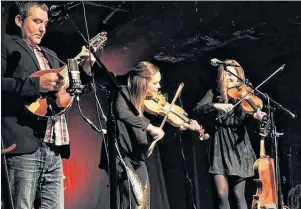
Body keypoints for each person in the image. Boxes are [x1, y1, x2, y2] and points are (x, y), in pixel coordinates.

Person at [1, 2, 94, 209]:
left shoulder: (50, 54)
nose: (43, 28)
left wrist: (86, 66)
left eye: (45, 23)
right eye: (36, 21)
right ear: (19, 21)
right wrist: (35, 85)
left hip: (53, 147)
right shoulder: (6, 44)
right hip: (22, 144)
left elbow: (71, 88)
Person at [99, 61, 202, 209]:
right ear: (143, 82)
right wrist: (149, 126)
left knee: (144, 204)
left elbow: (161, 136)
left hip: (138, 158)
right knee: (135, 199)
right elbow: (122, 113)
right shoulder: (123, 93)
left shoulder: (147, 105)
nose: (159, 87)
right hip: (120, 156)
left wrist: (180, 126)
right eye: (155, 83)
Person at [193, 59, 266, 209]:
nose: (231, 78)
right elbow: (197, 109)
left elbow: (250, 122)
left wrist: (257, 117)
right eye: (227, 75)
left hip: (239, 146)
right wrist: (215, 105)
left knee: (239, 195)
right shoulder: (214, 93)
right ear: (221, 76)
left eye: (234, 75)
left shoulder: (246, 94)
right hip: (219, 145)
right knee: (221, 193)